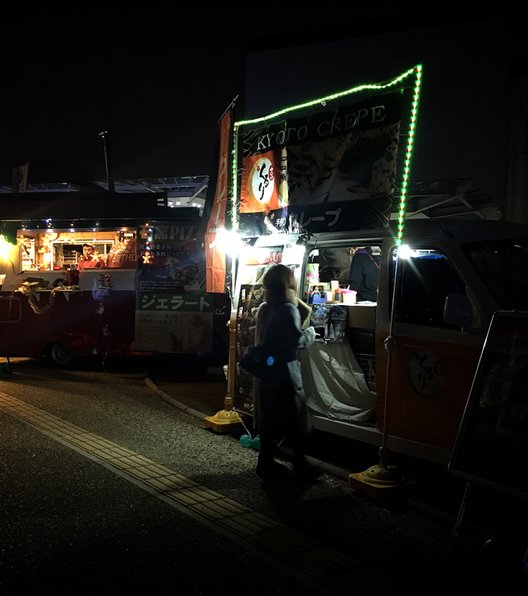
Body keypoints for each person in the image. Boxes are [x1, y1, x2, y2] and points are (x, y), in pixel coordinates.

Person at [253, 263, 318, 482]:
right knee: (295, 422)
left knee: (269, 422)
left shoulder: (265, 307)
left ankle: (266, 463)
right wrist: (311, 332)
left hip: (266, 373)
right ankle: (300, 467)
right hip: (285, 374)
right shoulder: (288, 308)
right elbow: (296, 340)